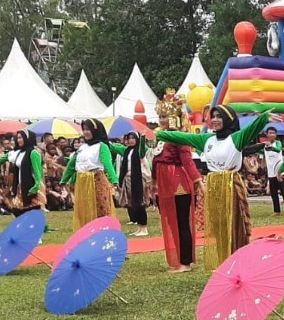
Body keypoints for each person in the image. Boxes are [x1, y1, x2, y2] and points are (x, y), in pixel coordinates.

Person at [156, 105, 272, 272]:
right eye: (214, 116)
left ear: (228, 120)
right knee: (218, 227)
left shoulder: (236, 138)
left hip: (231, 183)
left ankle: (239, 262)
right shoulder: (207, 140)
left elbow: (252, 129)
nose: (215, 120)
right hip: (213, 186)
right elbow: (181, 137)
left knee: (235, 225)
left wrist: (264, 118)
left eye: (219, 116)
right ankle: (225, 262)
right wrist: (157, 133)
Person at [151, 103, 203, 273]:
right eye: (160, 117)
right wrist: (153, 182)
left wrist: (197, 179)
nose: (162, 120)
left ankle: (185, 262)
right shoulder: (161, 138)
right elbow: (155, 161)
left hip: (178, 183)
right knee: (170, 221)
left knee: (181, 222)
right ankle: (179, 259)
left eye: (165, 116)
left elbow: (187, 160)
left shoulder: (179, 137)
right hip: (164, 184)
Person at [62, 119, 120, 230]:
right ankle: (87, 235)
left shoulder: (102, 146)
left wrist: (114, 179)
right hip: (82, 182)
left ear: (95, 130)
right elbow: (72, 164)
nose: (85, 132)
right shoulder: (82, 148)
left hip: (96, 180)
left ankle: (103, 234)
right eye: (84, 130)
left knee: (100, 208)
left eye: (88, 129)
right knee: (84, 210)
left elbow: (107, 163)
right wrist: (64, 180)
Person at [0, 130, 44, 217]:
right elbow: (4, 158)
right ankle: (32, 225)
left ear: (27, 138)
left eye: (21, 138)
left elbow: (37, 171)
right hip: (21, 185)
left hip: (32, 184)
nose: (18, 140)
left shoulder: (33, 153)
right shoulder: (18, 152)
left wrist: (36, 186)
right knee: (20, 209)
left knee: (29, 207)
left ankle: (35, 225)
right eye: (18, 138)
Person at [116, 131, 150, 237]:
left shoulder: (139, 151)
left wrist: (143, 137)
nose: (130, 140)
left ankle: (144, 228)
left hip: (138, 179)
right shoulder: (127, 151)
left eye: (133, 138)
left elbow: (142, 148)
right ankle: (139, 227)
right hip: (128, 178)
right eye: (128, 138)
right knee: (133, 204)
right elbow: (123, 167)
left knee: (140, 203)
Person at [263, 127, 284, 216]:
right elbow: (262, 154)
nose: (272, 135)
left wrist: (271, 147)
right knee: (273, 193)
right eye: (270, 133)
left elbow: (279, 149)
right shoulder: (265, 145)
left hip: (280, 172)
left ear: (276, 135)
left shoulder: (278, 143)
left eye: (273, 133)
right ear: (267, 134)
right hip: (271, 172)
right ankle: (277, 211)